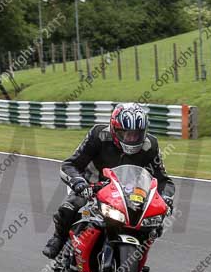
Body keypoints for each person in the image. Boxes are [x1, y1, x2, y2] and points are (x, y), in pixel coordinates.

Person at [42, 102, 176, 258]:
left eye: (136, 134)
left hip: (128, 195)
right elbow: (69, 165)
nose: (131, 139)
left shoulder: (150, 145)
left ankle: (132, 260)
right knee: (70, 207)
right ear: (114, 129)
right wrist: (79, 183)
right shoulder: (98, 135)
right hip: (91, 187)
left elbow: (164, 180)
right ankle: (58, 238)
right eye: (126, 133)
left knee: (154, 226)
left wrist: (166, 199)